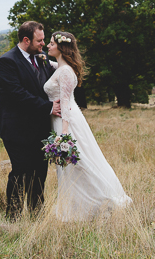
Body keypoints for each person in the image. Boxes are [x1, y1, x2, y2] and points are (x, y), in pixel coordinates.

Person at [45, 31, 132, 220]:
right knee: (70, 165)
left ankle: (102, 200)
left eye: (51, 43)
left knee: (80, 162)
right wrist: (41, 58)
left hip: (67, 122)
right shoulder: (60, 67)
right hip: (61, 120)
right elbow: (53, 66)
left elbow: (66, 103)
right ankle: (75, 205)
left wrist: (65, 133)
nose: (48, 46)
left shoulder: (66, 71)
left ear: (61, 47)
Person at [0, 21, 61, 218]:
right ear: (26, 40)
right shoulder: (7, 61)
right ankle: (13, 217)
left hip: (40, 128)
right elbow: (17, 94)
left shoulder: (41, 59)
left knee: (40, 174)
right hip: (16, 129)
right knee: (21, 171)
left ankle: (36, 216)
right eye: (39, 40)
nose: (43, 44)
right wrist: (48, 107)